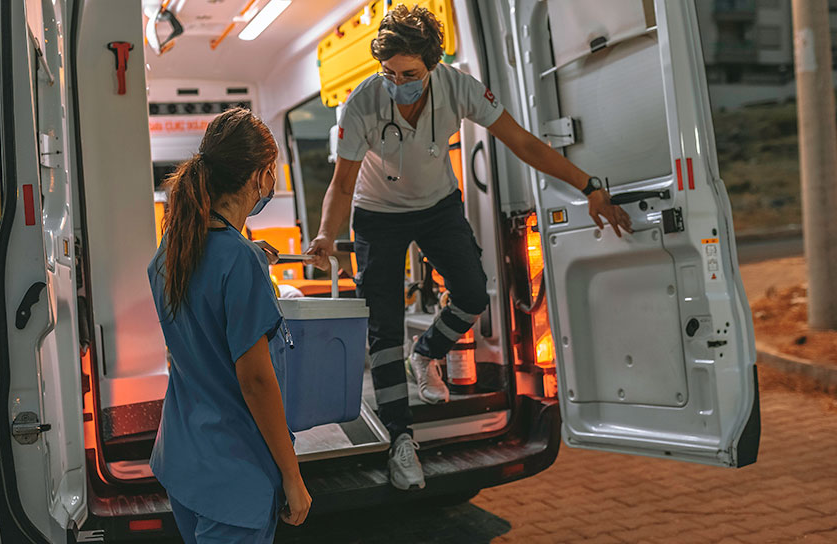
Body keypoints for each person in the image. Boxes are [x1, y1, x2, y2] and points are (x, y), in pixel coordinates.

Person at [307, 5, 633, 491]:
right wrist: (324, 235)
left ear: (433, 64)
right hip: (377, 214)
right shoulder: (363, 103)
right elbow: (342, 183)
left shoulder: (459, 87)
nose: (398, 83)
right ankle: (401, 441)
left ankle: (427, 353)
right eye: (389, 73)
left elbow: (523, 143)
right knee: (384, 329)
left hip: (436, 205)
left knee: (473, 294)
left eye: (410, 74)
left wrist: (589, 186)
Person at [147, 108, 311, 542]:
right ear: (260, 175)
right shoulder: (239, 260)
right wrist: (292, 477)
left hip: (184, 460)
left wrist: (251, 258)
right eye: (272, 172)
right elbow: (255, 381)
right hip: (235, 473)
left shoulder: (171, 251)